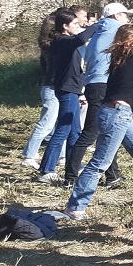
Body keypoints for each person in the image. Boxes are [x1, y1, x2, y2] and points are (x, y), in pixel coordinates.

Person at [64, 25, 133, 220]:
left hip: (117, 112)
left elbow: (123, 90)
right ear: (130, 42)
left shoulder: (121, 59)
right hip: (116, 115)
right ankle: (75, 207)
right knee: (101, 162)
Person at [37, 9, 97, 184]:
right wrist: (98, 25)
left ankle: (73, 165)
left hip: (73, 89)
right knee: (63, 129)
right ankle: (46, 169)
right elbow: (80, 39)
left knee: (75, 131)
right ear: (65, 26)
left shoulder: (66, 41)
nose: (78, 27)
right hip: (66, 90)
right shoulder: (62, 41)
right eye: (75, 24)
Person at [20, 8, 66, 169]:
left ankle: (61, 156)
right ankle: (29, 155)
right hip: (52, 88)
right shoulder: (54, 47)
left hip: (52, 87)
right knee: (46, 124)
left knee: (58, 124)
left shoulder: (48, 46)